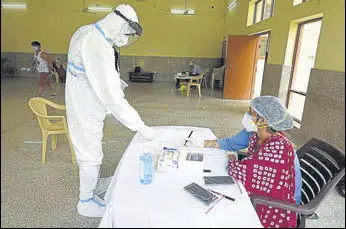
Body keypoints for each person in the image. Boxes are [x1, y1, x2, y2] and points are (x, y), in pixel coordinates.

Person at [65, 4, 155, 218]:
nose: (126, 38)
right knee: (90, 154)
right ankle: (85, 202)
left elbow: (95, 74)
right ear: (119, 24)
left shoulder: (88, 31)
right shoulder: (97, 45)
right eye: (127, 33)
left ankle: (94, 184)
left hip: (88, 102)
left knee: (94, 145)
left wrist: (113, 84)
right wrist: (140, 126)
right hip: (84, 107)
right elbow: (113, 98)